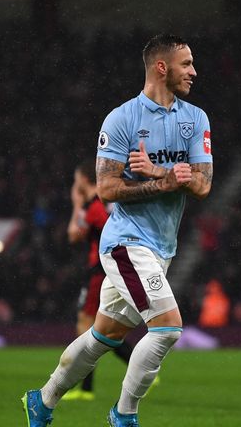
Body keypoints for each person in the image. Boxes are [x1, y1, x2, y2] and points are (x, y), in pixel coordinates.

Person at [22, 33, 213, 427]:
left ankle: (42, 400)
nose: (194, 71)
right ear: (162, 67)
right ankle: (123, 415)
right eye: (186, 64)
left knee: (102, 337)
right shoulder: (121, 119)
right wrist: (167, 181)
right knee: (168, 328)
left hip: (162, 247)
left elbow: (203, 184)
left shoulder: (195, 119)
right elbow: (107, 188)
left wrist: (159, 171)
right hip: (125, 243)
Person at [61, 159, 142, 402]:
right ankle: (134, 368)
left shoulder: (95, 207)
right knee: (102, 327)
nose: (74, 184)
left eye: (76, 179)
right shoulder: (98, 205)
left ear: (84, 180)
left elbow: (74, 234)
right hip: (101, 268)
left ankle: (87, 388)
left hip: (100, 269)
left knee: (90, 326)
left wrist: (76, 206)